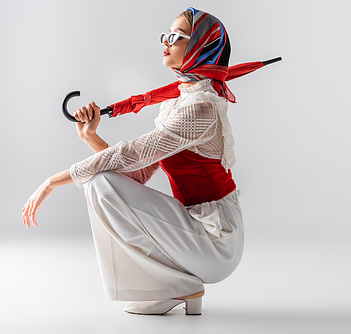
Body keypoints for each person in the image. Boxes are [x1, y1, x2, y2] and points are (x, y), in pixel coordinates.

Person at [22, 7, 246, 316]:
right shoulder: (182, 101)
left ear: (201, 46)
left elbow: (131, 154)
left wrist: (52, 182)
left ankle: (175, 285)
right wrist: (90, 137)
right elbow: (137, 173)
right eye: (165, 35)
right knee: (101, 182)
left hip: (216, 240)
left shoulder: (200, 109)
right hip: (196, 226)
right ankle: (175, 285)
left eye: (176, 36)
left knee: (98, 182)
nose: (165, 42)